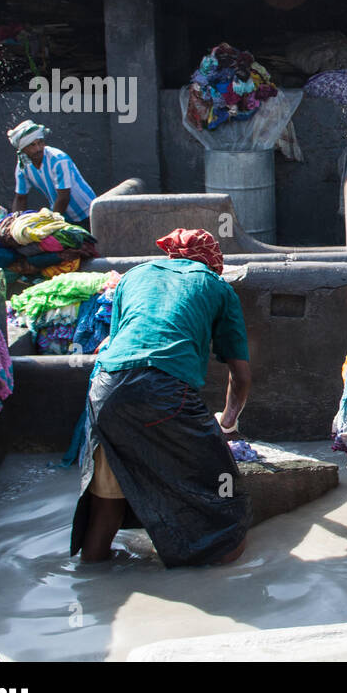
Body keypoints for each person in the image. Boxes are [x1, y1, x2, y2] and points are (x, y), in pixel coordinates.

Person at [71, 228, 253, 567]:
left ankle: (93, 579)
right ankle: (215, 581)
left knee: (107, 502)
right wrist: (226, 424)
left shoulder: (133, 276)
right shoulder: (217, 287)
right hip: (163, 392)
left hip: (105, 392)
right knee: (224, 500)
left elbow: (117, 344)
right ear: (214, 264)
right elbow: (240, 376)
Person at [8, 120, 97, 226]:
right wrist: (14, 223)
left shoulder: (59, 159)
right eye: (32, 145)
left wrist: (51, 225)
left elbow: (63, 197)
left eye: (40, 142)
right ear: (23, 150)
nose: (38, 148)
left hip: (88, 213)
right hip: (62, 216)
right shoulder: (23, 166)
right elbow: (20, 198)